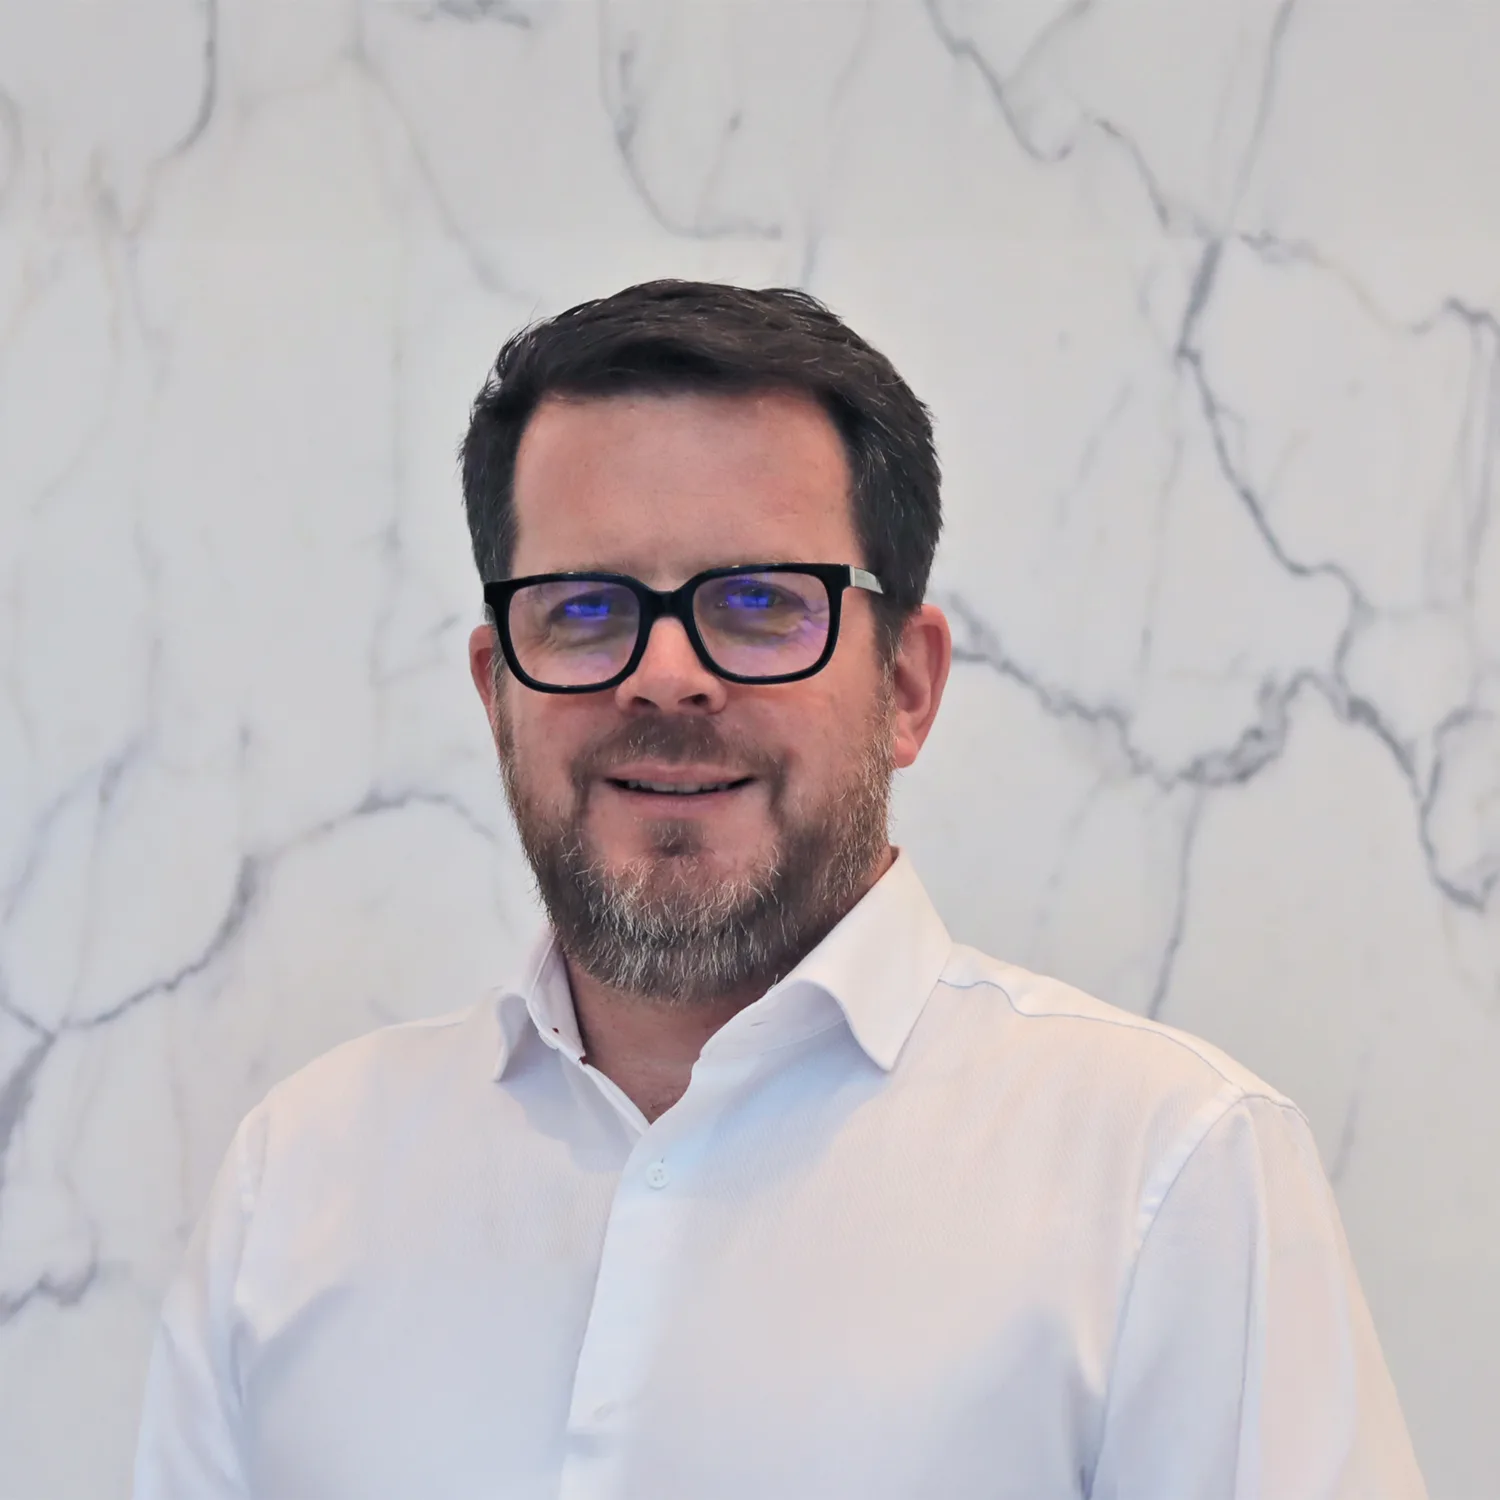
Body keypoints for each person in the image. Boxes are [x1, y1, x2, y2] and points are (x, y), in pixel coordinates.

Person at [133, 280, 1427, 1499]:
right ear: (496, 692)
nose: (666, 677)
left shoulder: (1172, 1179)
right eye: (584, 611)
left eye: (758, 604)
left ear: (907, 687)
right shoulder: (294, 1188)